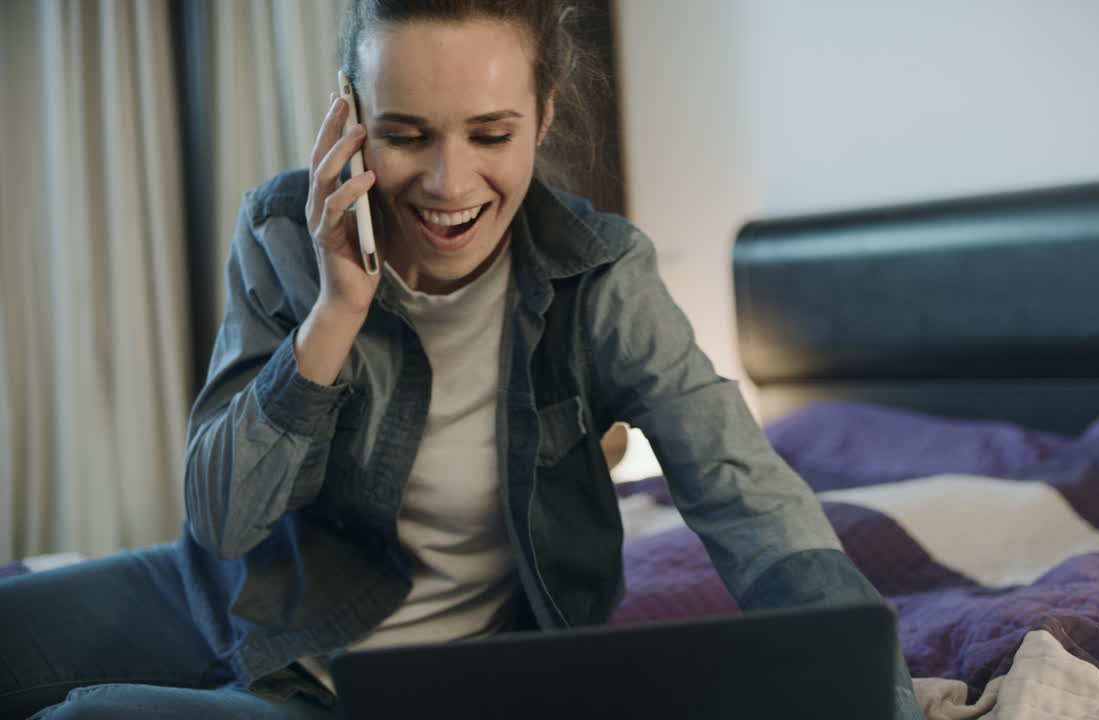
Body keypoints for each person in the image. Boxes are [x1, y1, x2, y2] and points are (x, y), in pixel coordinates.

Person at [0, 1, 923, 718]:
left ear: (543, 114)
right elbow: (219, 516)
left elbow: (748, 497)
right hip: (228, 591)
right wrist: (335, 310)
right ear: (351, 118)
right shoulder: (283, 231)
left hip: (358, 691)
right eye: (406, 134)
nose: (449, 186)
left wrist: (874, 688)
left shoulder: (602, 279)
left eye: (491, 134)